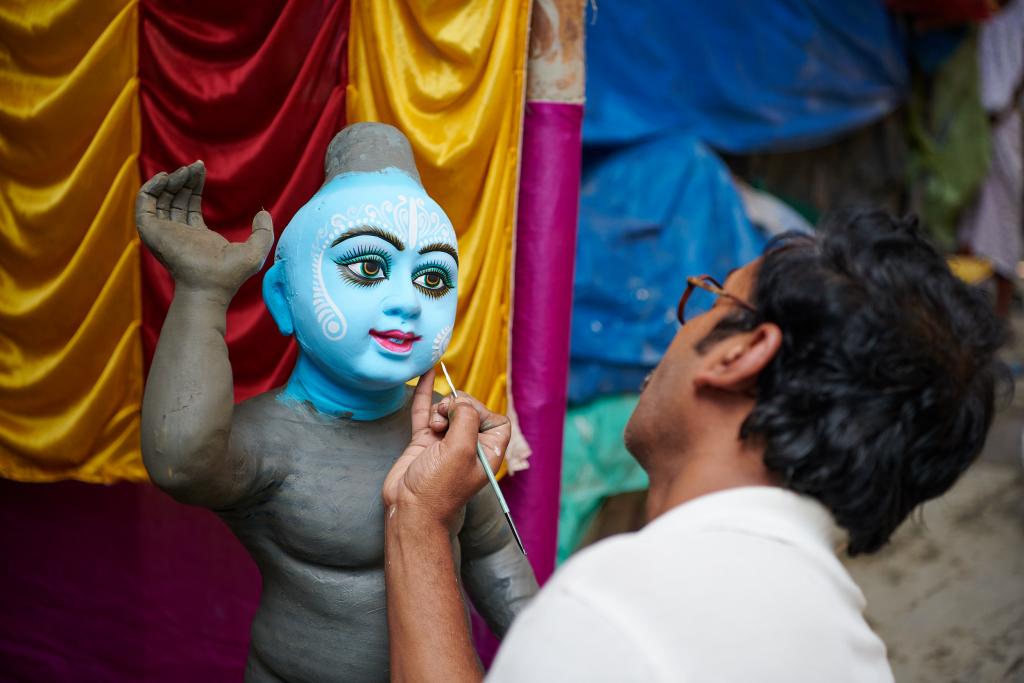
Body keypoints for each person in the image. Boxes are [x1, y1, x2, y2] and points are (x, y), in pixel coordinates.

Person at [382, 210, 1006, 681]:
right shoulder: (854, 656)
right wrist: (422, 520)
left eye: (707, 301)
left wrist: (416, 523)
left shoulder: (618, 609)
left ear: (740, 354)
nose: (675, 332)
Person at [136, 123, 536, 682]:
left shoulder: (449, 434)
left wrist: (555, 654)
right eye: (370, 268)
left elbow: (494, 556)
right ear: (283, 298)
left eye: (433, 278)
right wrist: (203, 290)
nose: (408, 303)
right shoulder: (271, 441)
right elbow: (181, 463)